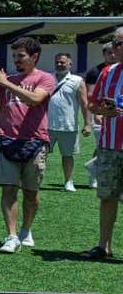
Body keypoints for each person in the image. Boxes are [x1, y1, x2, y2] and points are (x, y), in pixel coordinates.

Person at [0, 37, 55, 253]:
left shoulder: (45, 78)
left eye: (21, 56)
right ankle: (12, 235)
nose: (17, 60)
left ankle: (26, 230)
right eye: (14, 56)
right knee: (8, 189)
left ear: (34, 57)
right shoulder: (8, 78)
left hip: (35, 141)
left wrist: (6, 83)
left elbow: (35, 99)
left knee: (31, 192)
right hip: (8, 139)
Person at [82, 34, 123, 259]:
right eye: (113, 43)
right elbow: (93, 103)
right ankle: (103, 246)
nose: (112, 47)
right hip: (109, 145)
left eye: (118, 43)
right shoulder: (108, 72)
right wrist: (103, 111)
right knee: (107, 196)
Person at [48, 52, 92, 191]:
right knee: (39, 155)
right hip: (45, 125)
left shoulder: (77, 80)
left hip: (68, 125)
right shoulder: (47, 78)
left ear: (70, 64)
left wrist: (87, 123)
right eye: (57, 62)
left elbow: (84, 104)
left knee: (67, 156)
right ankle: (35, 181)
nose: (59, 64)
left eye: (63, 62)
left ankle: (68, 182)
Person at [85, 37, 120, 189]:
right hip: (106, 130)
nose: (113, 54)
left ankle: (93, 167)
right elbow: (92, 100)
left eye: (116, 49)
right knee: (108, 197)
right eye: (110, 52)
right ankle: (94, 172)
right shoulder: (100, 72)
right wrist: (100, 112)